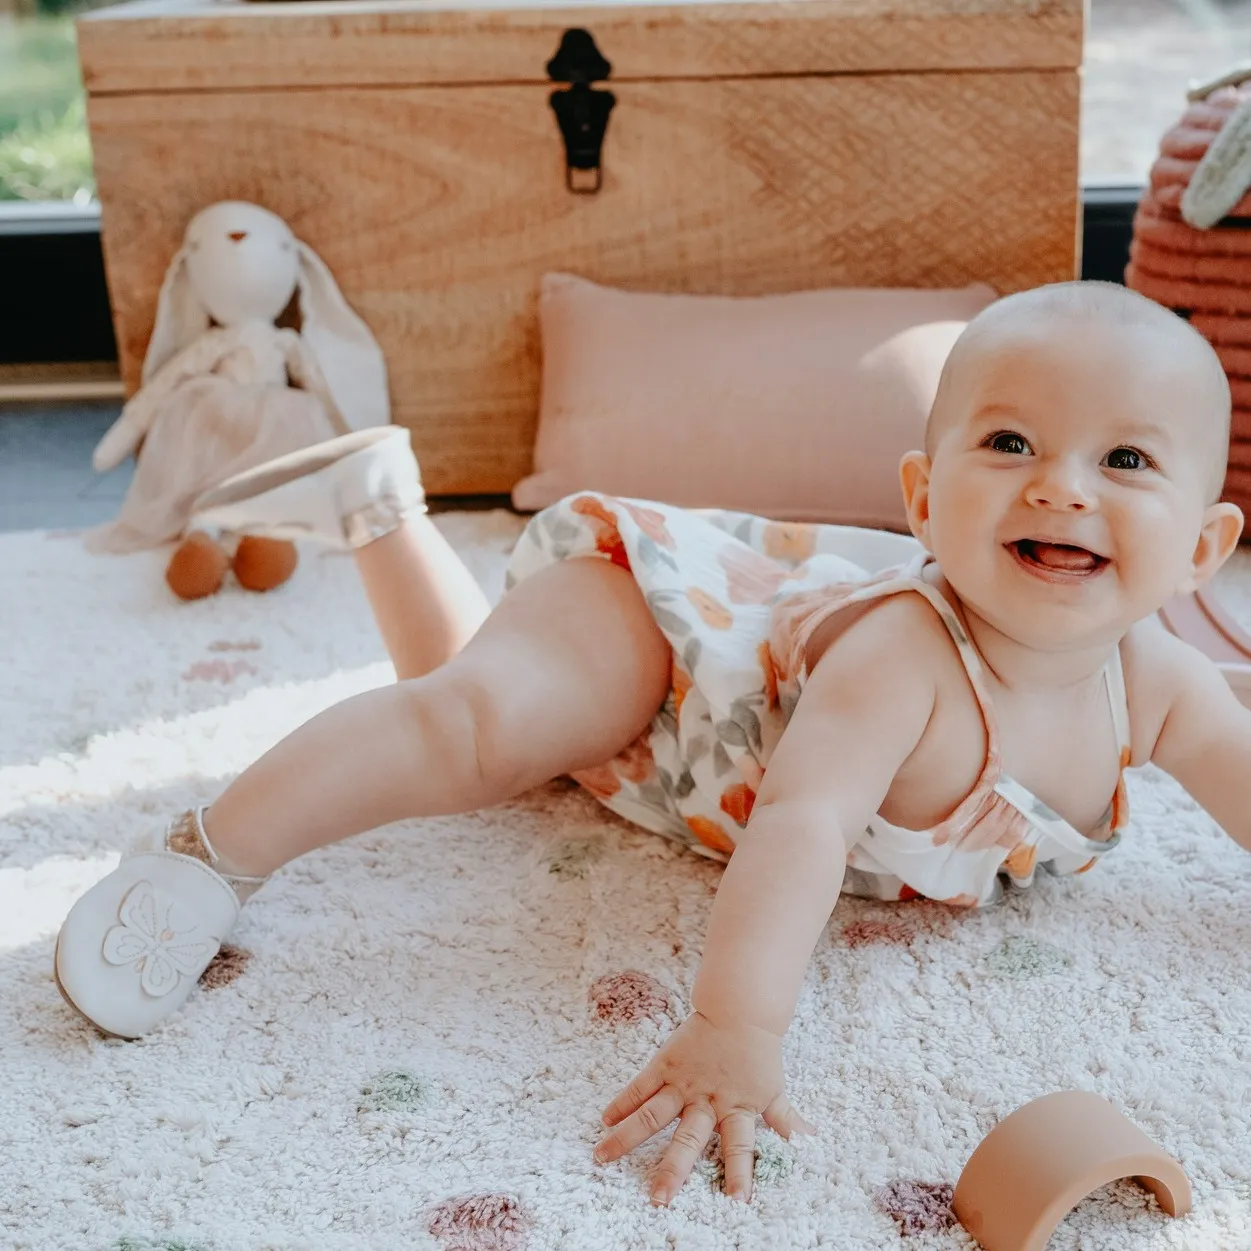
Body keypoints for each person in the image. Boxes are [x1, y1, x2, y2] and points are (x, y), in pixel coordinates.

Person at [54, 280, 1251, 1208]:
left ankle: (379, 510)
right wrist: (737, 1028)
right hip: (671, 640)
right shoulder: (906, 663)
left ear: (1205, 548)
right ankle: (208, 854)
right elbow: (803, 825)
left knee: (498, 725)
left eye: (1126, 461)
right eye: (1008, 445)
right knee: (476, 734)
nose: (1062, 489)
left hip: (690, 751)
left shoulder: (1162, 687)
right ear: (924, 500)